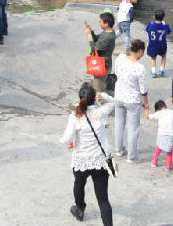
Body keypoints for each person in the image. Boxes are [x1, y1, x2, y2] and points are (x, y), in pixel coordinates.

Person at [59, 84, 114, 226]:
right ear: (93, 98)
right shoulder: (101, 112)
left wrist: (63, 137)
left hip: (81, 160)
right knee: (103, 200)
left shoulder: (75, 116)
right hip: (100, 161)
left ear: (80, 98)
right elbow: (113, 102)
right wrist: (103, 96)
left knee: (79, 184)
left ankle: (80, 210)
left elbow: (67, 138)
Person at [101, 40, 148, 163]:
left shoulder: (120, 59)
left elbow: (116, 73)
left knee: (119, 124)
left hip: (119, 96)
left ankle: (119, 150)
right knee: (133, 128)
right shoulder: (140, 68)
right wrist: (146, 104)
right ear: (140, 51)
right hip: (133, 100)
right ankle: (131, 156)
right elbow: (143, 90)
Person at [85, 14, 116, 93]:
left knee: (98, 90)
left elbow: (93, 49)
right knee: (101, 85)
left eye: (100, 22)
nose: (99, 23)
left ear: (106, 24)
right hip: (104, 64)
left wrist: (88, 35)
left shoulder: (108, 37)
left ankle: (101, 103)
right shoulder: (107, 32)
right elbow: (96, 38)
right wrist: (91, 31)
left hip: (102, 66)